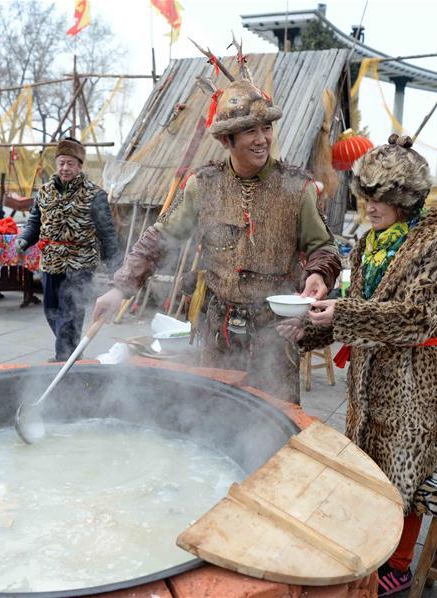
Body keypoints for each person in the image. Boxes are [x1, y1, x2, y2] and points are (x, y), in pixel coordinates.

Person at [277, 135, 437, 596]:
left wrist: (340, 314)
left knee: (410, 471)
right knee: (371, 466)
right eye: (366, 198)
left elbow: (416, 318)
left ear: (407, 198)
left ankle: (399, 563)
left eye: (381, 199)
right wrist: (309, 330)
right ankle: (371, 547)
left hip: (419, 380)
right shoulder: (370, 242)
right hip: (370, 377)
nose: (370, 209)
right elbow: (360, 307)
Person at [93, 77, 340, 404]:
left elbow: (325, 248)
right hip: (218, 331)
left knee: (275, 424)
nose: (262, 139)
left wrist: (319, 274)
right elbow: (160, 238)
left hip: (275, 333)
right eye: (251, 130)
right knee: (214, 417)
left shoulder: (297, 187)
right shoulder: (202, 185)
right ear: (227, 139)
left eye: (266, 128)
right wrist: (120, 287)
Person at [16, 137, 119, 361]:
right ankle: (72, 351)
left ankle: (65, 357)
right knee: (51, 309)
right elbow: (34, 223)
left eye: (70, 163)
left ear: (80, 166)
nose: (65, 168)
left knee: (70, 311)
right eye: (61, 162)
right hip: (51, 261)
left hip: (80, 263)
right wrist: (24, 239)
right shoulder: (43, 192)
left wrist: (115, 273)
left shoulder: (95, 195)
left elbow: (107, 234)